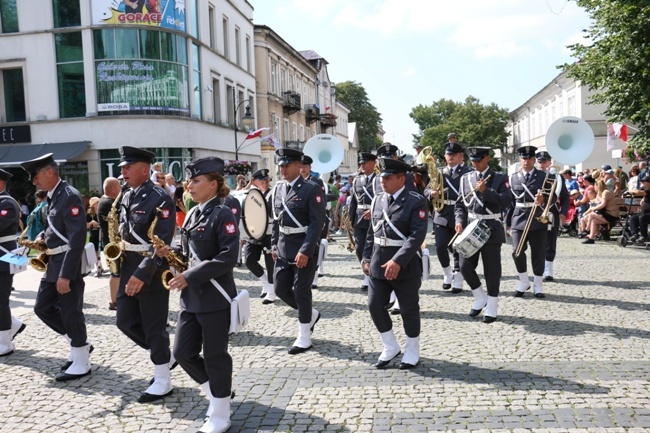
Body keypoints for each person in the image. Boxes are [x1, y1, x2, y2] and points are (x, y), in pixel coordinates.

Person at [155, 157, 239, 433]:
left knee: (215, 355)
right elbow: (189, 255)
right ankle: (217, 393)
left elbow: (228, 256)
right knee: (182, 352)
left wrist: (188, 276)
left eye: (196, 181)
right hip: (191, 298)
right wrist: (171, 255)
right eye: (189, 181)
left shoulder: (223, 214)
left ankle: (221, 413)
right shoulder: (192, 214)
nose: (189, 186)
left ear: (213, 184)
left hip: (214, 297)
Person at [20, 153, 91, 381]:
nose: (33, 181)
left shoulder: (69, 196)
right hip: (53, 263)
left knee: (71, 313)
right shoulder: (54, 196)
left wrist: (66, 275)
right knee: (42, 308)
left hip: (66, 265)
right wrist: (42, 237)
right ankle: (78, 344)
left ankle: (82, 361)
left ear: (49, 172)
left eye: (35, 175)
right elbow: (56, 227)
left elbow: (77, 237)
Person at [115, 146, 177, 403]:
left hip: (150, 268)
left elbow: (161, 241)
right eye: (122, 168)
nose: (123, 171)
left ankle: (163, 379)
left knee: (154, 325)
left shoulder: (160, 198)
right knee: (124, 321)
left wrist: (142, 272)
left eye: (127, 167)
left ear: (143, 169)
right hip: (128, 265)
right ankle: (165, 356)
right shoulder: (127, 195)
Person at [361, 158, 428, 369]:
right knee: (374, 305)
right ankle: (390, 346)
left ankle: (412, 349)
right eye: (382, 177)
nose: (383, 181)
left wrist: (397, 260)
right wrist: (365, 257)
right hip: (378, 263)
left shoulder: (415, 201)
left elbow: (417, 236)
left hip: (405, 266)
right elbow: (373, 232)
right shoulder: (377, 200)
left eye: (388, 178)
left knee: (409, 309)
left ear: (401, 179)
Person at [270, 148, 325, 354]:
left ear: (297, 166)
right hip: (284, 246)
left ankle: (304, 336)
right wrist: (274, 244)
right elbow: (276, 220)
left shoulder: (311, 189)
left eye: (287, 165)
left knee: (301, 290)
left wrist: (306, 250)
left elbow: (316, 223)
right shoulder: (278, 189)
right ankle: (310, 314)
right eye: (281, 165)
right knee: (280, 289)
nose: (283, 169)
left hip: (303, 246)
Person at [454, 147, 511, 323]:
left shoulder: (500, 178)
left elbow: (507, 201)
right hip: (471, 226)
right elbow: (460, 204)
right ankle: (480, 296)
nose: (475, 163)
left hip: (491, 226)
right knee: (464, 266)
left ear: (487, 159)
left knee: (491, 269)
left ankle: (492, 304)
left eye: (479, 159)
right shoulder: (465, 178)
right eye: (473, 160)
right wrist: (459, 220)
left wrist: (486, 191)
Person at [429, 141, 472, 292]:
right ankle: (447, 272)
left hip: (460, 213)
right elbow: (427, 190)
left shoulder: (468, 172)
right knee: (441, 246)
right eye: (448, 154)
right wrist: (431, 193)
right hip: (441, 213)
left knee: (458, 248)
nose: (450, 157)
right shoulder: (439, 172)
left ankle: (458, 279)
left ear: (461, 156)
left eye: (454, 155)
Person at [505, 146, 547, 298]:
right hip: (518, 218)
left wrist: (544, 200)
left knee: (538, 253)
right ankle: (523, 281)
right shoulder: (513, 178)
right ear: (519, 160)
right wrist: (507, 223)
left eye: (529, 158)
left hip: (537, 218)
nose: (526, 161)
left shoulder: (543, 176)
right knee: (517, 251)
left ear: (534, 160)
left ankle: (538, 285)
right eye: (524, 158)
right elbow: (510, 202)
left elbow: (553, 198)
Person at [0, 169, 26, 356]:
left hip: (4, 257)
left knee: (1, 301)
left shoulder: (7, 203)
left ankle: (4, 342)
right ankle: (14, 323)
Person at [299, 155, 334, 289]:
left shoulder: (317, 182)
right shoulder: (295, 182)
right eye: (301, 166)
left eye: (305, 167)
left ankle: (315, 273)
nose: (302, 169)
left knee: (316, 246)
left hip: (315, 218)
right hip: (301, 221)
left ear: (310, 168)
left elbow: (322, 201)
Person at [348, 152, 381, 291]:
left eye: (365, 163)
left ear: (373, 164)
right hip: (360, 218)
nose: (362, 166)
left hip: (375, 218)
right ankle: (366, 271)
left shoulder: (379, 180)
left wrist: (374, 211)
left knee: (374, 247)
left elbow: (383, 200)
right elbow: (354, 202)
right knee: (359, 247)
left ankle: (372, 275)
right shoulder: (357, 180)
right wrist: (350, 220)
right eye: (360, 163)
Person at [535, 151, 569, 282]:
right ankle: (538, 270)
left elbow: (565, 197)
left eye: (544, 162)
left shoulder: (557, 177)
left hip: (552, 211)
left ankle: (548, 271)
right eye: (539, 162)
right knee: (537, 241)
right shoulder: (534, 176)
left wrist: (563, 213)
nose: (542, 164)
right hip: (536, 210)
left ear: (550, 162)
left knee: (550, 241)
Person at [244, 169, 276, 304]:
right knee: (249, 260)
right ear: (255, 182)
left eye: (266, 181)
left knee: (270, 263)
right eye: (261, 181)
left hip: (268, 232)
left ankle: (272, 291)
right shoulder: (251, 195)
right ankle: (265, 283)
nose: (264, 183)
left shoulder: (273, 194)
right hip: (254, 232)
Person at [98, 177, 122, 311]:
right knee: (116, 273)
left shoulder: (103, 200)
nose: (120, 190)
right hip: (112, 243)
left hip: (109, 243)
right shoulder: (110, 203)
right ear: (112, 189)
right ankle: (114, 301)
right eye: (119, 187)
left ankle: (116, 300)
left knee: (117, 273)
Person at [580, 179, 620, 244]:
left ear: (598, 186)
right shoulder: (601, 193)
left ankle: (587, 230)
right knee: (594, 221)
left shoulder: (605, 192)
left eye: (595, 186)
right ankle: (591, 238)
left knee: (591, 215)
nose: (594, 188)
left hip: (612, 215)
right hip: (607, 213)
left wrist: (594, 208)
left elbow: (603, 204)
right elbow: (599, 203)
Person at [627, 172, 650, 244]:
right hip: (645, 213)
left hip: (648, 214)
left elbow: (639, 192)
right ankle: (635, 234)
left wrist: (629, 191)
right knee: (633, 218)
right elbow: (644, 194)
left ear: (648, 183)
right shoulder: (646, 192)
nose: (642, 183)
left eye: (643, 182)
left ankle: (644, 236)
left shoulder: (648, 191)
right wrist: (643, 199)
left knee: (642, 217)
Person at [86, 196, 102, 278]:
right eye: (97, 203)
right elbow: (86, 225)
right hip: (94, 234)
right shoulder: (89, 214)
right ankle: (99, 267)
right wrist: (91, 223)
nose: (98, 204)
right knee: (95, 251)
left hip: (102, 233)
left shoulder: (102, 211)